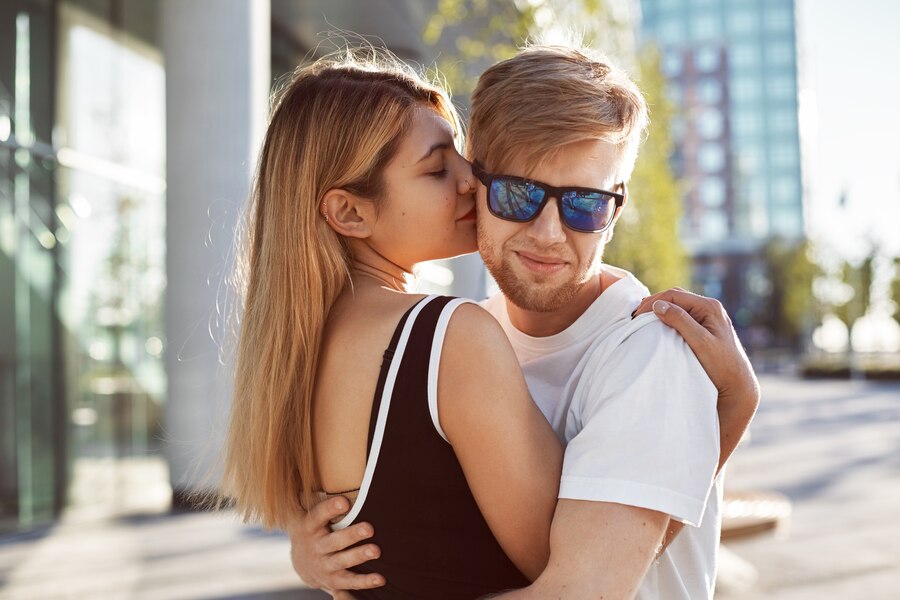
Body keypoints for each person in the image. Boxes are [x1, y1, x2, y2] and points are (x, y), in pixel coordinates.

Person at [290, 45, 760, 599]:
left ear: (616, 208)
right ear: (475, 182)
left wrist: (726, 417)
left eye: (584, 204)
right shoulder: (459, 345)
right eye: (518, 194)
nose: (548, 234)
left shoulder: (649, 352)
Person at [222, 49, 564, 599]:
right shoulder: (447, 336)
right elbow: (574, 560)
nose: (472, 182)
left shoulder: (296, 358)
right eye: (436, 169)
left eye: (461, 156)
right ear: (350, 213)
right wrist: (711, 425)